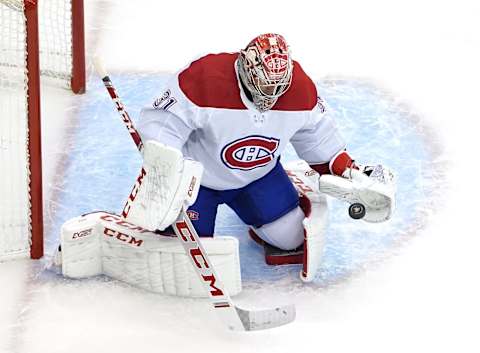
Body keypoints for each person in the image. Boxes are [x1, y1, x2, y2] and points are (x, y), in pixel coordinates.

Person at [135, 33, 393, 267]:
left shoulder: (300, 90)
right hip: (197, 181)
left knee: (291, 238)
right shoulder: (204, 78)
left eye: (278, 86)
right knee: (184, 255)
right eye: (266, 85)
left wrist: (349, 171)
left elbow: (318, 139)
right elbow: (161, 124)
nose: (271, 94)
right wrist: (166, 167)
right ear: (247, 68)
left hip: (258, 177)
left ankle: (256, 213)